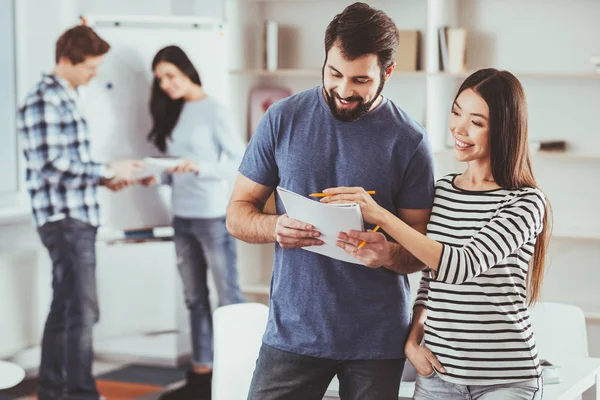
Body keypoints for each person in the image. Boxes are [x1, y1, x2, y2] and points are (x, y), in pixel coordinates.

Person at [226, 3, 436, 399]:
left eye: (359, 80)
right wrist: (274, 226)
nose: (343, 90)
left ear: (387, 73)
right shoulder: (281, 119)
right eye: (334, 73)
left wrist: (388, 253)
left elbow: (422, 248)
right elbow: (237, 214)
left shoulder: (410, 141)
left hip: (376, 339)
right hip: (293, 332)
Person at [323, 68, 550, 399]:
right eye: (457, 112)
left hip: (506, 379)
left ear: (504, 131)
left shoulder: (526, 202)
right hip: (438, 374)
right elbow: (432, 279)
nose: (458, 127)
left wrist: (381, 216)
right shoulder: (442, 191)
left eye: (477, 121)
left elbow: (460, 265)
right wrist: (413, 341)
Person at [17, 25, 143, 400]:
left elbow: (70, 164)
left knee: (67, 307)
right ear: (67, 60)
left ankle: (55, 390)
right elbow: (52, 164)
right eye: (90, 67)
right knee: (82, 310)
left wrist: (107, 179)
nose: (95, 75)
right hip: (64, 220)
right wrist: (105, 172)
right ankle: (80, 393)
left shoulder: (66, 96)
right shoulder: (44, 100)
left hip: (77, 216)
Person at [139, 45, 246, 400]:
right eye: (160, 79)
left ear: (187, 70)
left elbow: (238, 162)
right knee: (194, 298)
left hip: (213, 217)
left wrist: (198, 166)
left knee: (228, 298)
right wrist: (155, 176)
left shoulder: (214, 110)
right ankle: (202, 373)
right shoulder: (173, 110)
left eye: (170, 75)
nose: (166, 85)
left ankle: (239, 376)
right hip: (181, 217)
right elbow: (173, 167)